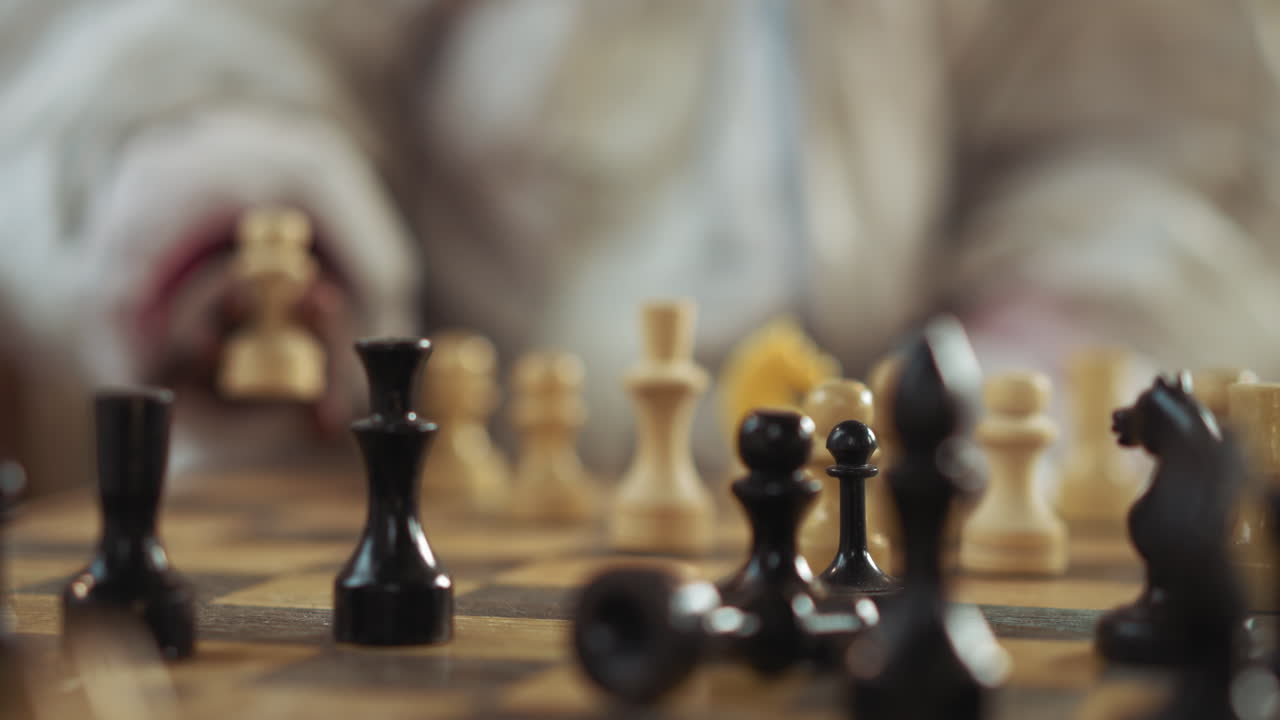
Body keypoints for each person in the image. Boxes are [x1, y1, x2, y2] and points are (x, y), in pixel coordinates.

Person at [1, 0, 1278, 485]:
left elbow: (1154, 137)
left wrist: (1056, 333)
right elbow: (159, 33)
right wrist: (222, 211)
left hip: (875, 540)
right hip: (398, 507)